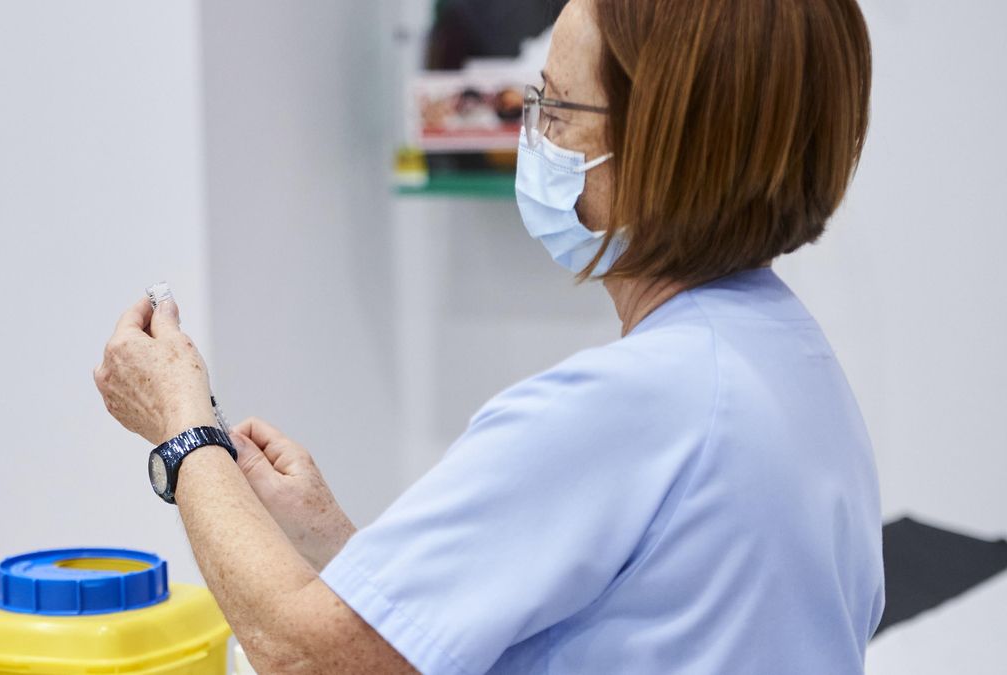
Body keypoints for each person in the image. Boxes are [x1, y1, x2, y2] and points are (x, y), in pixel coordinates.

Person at [93, 0, 883, 672]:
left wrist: (181, 427)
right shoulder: (793, 363)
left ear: (661, 148)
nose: (529, 134)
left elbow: (306, 656)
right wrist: (331, 539)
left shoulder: (625, 408)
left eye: (555, 107)